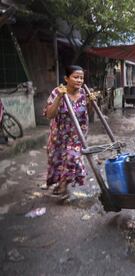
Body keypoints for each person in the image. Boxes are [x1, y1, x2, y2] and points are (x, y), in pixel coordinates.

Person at [43, 65, 95, 198]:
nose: (79, 80)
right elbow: (49, 115)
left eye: (81, 78)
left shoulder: (84, 93)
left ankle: (63, 186)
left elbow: (87, 114)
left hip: (77, 135)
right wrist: (59, 97)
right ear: (67, 78)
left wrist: (91, 103)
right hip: (59, 135)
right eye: (76, 77)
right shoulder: (57, 92)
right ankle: (60, 183)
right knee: (58, 160)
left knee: (73, 157)